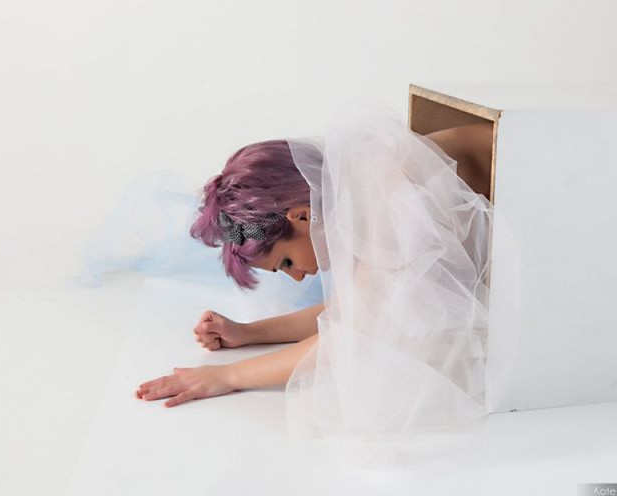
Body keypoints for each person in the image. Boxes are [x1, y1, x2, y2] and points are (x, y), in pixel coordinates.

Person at [135, 101, 495, 441]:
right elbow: (357, 306)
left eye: (286, 262)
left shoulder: (392, 199)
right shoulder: (363, 182)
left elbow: (354, 334)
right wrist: (248, 332)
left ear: (302, 215)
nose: (298, 277)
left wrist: (229, 375)